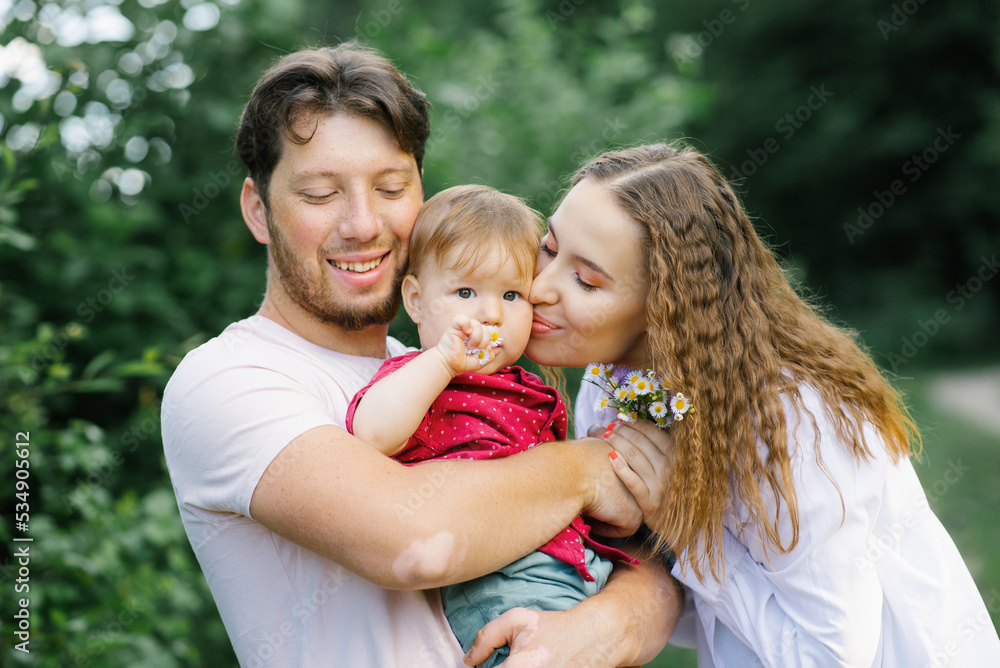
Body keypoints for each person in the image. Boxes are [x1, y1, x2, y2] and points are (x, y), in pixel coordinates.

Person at [160, 44, 682, 668]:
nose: (362, 224)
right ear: (258, 210)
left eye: (390, 188)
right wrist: (593, 469)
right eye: (320, 194)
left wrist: (606, 622)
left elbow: (660, 573)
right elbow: (413, 542)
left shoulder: (457, 367)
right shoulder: (227, 380)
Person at [503, 141, 1000, 666]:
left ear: (664, 304)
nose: (539, 287)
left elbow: (831, 657)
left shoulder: (793, 420)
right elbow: (706, 617)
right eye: (550, 249)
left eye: (586, 279)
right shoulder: (613, 390)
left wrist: (684, 528)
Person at [346, 184, 642, 667]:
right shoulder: (421, 378)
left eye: (511, 294)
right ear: (417, 301)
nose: (490, 314)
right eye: (465, 292)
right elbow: (372, 432)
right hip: (499, 583)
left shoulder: (526, 387)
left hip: (575, 569)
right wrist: (442, 360)